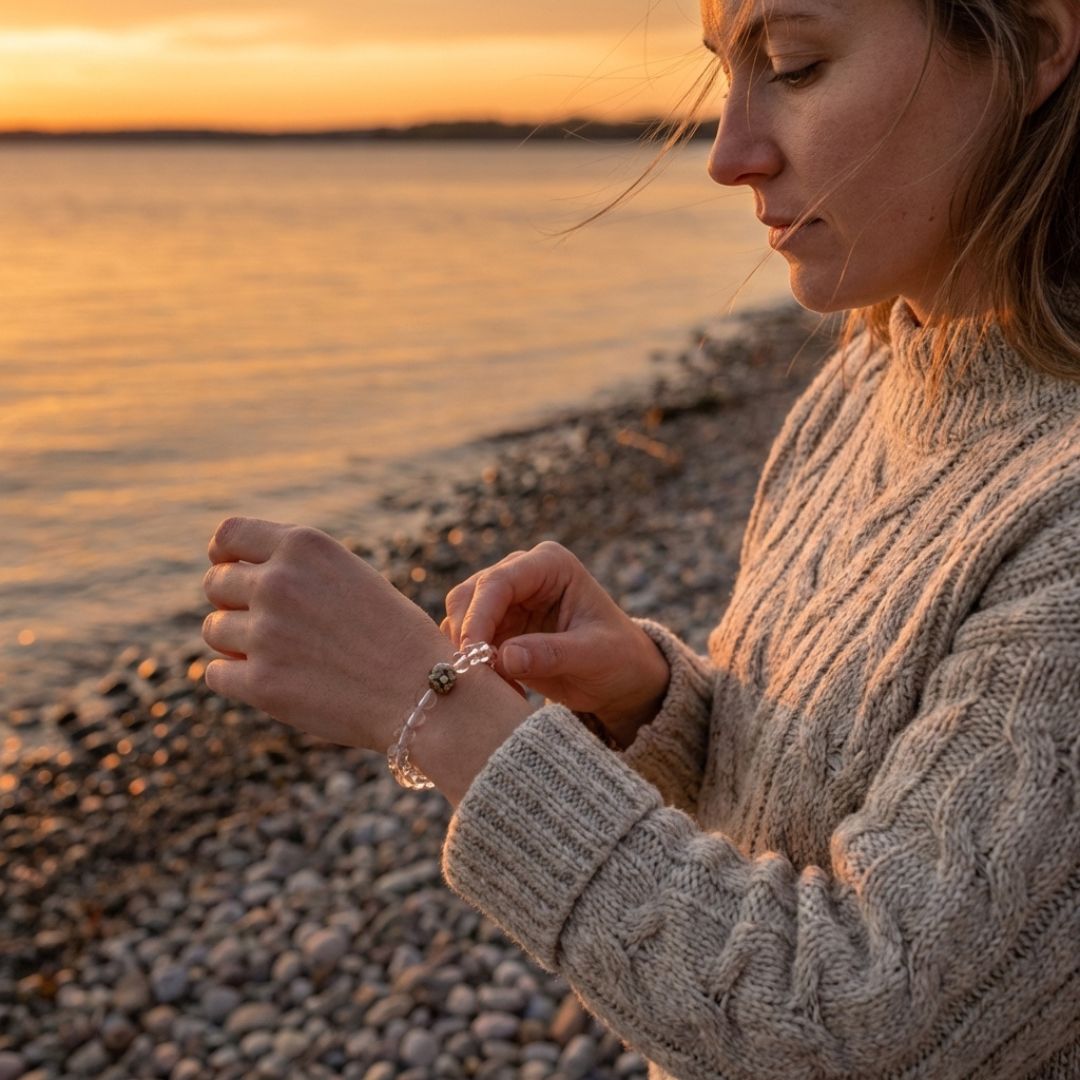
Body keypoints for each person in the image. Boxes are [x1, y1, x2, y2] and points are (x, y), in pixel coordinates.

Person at [200, 0, 1080, 1075]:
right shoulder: (877, 370)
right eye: (724, 75)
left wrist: (434, 708)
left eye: (796, 66)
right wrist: (654, 705)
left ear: (1037, 41)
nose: (729, 153)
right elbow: (835, 810)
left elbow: (863, 1020)